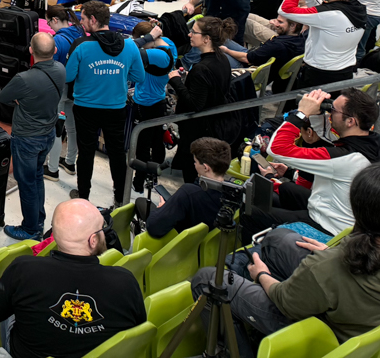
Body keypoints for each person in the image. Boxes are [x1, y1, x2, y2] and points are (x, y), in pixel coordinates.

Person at [190, 162, 380, 357]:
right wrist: (327, 251)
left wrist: (261, 275)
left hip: (318, 332)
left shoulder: (327, 266)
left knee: (206, 279)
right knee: (280, 239)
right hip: (354, 318)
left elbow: (284, 299)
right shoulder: (353, 251)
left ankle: (232, 352)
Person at [0, 199, 147, 358]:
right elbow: (139, 330)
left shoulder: (22, 270)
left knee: (11, 296)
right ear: (93, 240)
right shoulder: (126, 282)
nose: (104, 233)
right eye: (101, 230)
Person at [244, 87, 380, 241]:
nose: (330, 114)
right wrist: (318, 110)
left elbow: (276, 148)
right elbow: (324, 133)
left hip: (327, 225)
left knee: (249, 212)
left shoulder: (344, 158)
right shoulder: (369, 142)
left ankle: (254, 253)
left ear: (350, 121)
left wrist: (301, 113)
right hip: (336, 211)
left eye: (333, 110)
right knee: (287, 189)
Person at [67, 0, 145, 204]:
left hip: (85, 108)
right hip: (116, 108)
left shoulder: (81, 46)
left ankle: (83, 197)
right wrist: (118, 74)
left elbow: (68, 76)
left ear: (93, 20)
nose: (82, 23)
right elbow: (139, 76)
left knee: (86, 153)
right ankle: (120, 198)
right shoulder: (130, 45)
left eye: (84, 19)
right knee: (117, 153)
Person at [0, 34, 65, 241]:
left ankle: (30, 229)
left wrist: (21, 100)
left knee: (27, 183)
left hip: (27, 138)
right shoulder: (61, 69)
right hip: (47, 135)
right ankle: (38, 221)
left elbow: (4, 96)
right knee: (36, 178)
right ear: (55, 51)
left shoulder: (24, 79)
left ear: (30, 51)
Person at [169, 17, 235, 184]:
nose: (189, 34)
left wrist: (176, 81)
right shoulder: (222, 59)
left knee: (192, 176)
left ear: (206, 39)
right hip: (214, 124)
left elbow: (194, 104)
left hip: (198, 130)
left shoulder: (201, 68)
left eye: (194, 32)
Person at [280, 0, 366, 88]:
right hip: (344, 70)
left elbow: (284, 10)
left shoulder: (329, 15)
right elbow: (319, 13)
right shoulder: (357, 7)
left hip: (320, 73)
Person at [144, 138, 230, 238]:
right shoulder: (232, 194)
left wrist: (161, 209)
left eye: (196, 162)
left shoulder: (188, 193)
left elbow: (154, 227)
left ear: (205, 168)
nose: (194, 165)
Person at [130, 23, 177, 192]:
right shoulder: (169, 45)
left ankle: (138, 183)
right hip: (158, 101)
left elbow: (129, 50)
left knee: (142, 147)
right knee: (157, 141)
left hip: (145, 104)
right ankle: (153, 176)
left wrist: (143, 40)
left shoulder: (156, 54)